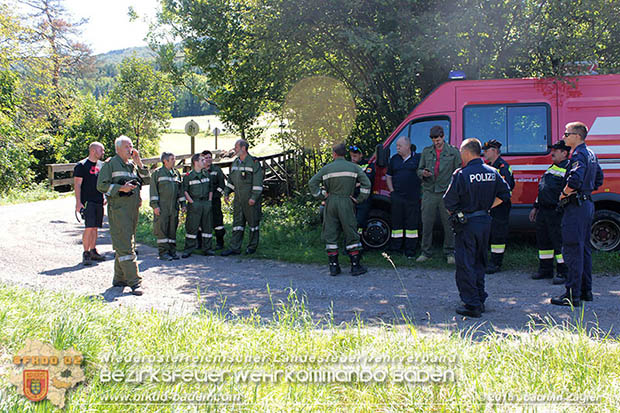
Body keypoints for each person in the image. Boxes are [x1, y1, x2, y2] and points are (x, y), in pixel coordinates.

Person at [443, 138, 511, 317]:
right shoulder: (492, 171)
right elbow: (505, 194)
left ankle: (471, 304)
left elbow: (448, 201)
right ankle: (479, 298)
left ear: (466, 152)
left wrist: (458, 215)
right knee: (480, 262)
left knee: (465, 263)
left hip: (467, 224)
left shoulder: (462, 174)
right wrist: (487, 206)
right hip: (484, 222)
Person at [551, 122, 604, 307]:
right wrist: (586, 191)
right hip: (587, 204)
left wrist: (564, 194)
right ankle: (585, 291)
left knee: (573, 250)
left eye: (567, 134)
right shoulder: (591, 154)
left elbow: (574, 179)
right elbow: (599, 179)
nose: (564, 137)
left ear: (577, 136)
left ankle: (572, 295)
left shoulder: (578, 155)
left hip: (576, 208)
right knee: (584, 250)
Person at [96, 136, 150, 296]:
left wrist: (139, 161)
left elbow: (146, 180)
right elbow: (101, 186)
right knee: (126, 245)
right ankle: (135, 282)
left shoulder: (132, 165)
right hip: (119, 211)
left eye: (131, 146)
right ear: (118, 148)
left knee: (126, 242)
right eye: (127, 147)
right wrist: (121, 188)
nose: (130, 149)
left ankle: (119, 278)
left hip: (132, 210)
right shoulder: (110, 164)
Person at [309, 143, 371, 276]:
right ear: (345, 154)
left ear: (334, 154)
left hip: (330, 202)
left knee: (330, 233)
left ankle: (333, 267)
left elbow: (312, 183)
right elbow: (367, 183)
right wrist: (360, 199)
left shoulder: (327, 169)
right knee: (351, 231)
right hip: (346, 201)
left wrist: (321, 196)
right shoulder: (354, 167)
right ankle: (355, 266)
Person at [416, 125, 462, 264]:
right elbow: (418, 169)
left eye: (438, 139)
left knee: (449, 224)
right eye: (433, 140)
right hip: (429, 192)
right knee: (427, 223)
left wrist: (455, 193)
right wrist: (422, 173)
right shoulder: (426, 152)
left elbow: (458, 172)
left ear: (443, 137)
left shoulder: (453, 152)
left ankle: (450, 252)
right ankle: (426, 252)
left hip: (446, 192)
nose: (436, 142)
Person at [529, 140, 571, 284]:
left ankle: (563, 272)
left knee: (558, 242)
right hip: (543, 211)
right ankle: (545, 270)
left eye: (556, 151)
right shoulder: (552, 168)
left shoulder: (569, 169)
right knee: (543, 242)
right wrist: (535, 206)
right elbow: (543, 189)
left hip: (556, 211)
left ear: (564, 153)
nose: (552, 153)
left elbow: (569, 191)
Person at [221, 139, 264, 256]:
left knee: (253, 224)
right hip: (238, 200)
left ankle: (252, 247)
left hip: (250, 200)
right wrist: (226, 193)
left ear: (243, 148)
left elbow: (258, 183)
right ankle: (235, 248)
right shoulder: (235, 162)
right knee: (237, 225)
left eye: (236, 147)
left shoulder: (253, 162)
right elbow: (231, 180)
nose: (234, 149)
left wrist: (254, 198)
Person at [482, 139, 515, 273]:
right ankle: (488, 261)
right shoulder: (488, 166)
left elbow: (506, 192)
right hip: (490, 207)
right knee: (489, 235)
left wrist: (491, 205)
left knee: (498, 236)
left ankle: (496, 263)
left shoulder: (502, 167)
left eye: (486, 150)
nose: (484, 153)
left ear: (495, 151)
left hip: (500, 207)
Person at [386, 136, 421, 258]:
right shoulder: (394, 159)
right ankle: (396, 248)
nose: (397, 148)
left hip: (413, 197)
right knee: (397, 225)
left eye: (399, 146)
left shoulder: (418, 158)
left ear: (408, 146)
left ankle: (410, 250)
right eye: (396, 146)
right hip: (397, 197)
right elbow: (388, 176)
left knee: (412, 225)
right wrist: (392, 191)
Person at [74, 142, 106, 265]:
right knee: (88, 227)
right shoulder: (81, 165)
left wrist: (104, 196)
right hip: (88, 202)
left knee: (95, 227)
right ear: (93, 151)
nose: (103, 153)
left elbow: (103, 183)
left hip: (99, 200)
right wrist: (78, 202)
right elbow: (77, 184)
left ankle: (93, 250)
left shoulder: (101, 165)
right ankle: (86, 253)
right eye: (101, 150)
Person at [150, 152, 185, 261]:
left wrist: (183, 204)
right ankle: (163, 253)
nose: (174, 161)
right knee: (162, 230)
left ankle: (172, 252)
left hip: (174, 207)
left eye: (174, 158)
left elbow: (180, 191)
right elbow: (153, 191)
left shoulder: (176, 173)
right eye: (172, 159)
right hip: (162, 207)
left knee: (172, 230)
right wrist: (155, 206)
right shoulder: (157, 173)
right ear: (165, 161)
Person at [182, 153, 215, 258]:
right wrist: (191, 202)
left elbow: (211, 189)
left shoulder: (206, 174)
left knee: (207, 227)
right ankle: (189, 249)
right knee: (192, 227)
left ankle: (207, 248)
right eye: (202, 160)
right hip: (194, 204)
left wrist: (209, 201)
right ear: (196, 162)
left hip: (206, 203)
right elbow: (184, 191)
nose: (204, 161)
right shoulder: (188, 176)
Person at [348, 145, 375, 238]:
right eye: (351, 156)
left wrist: (356, 183)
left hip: (363, 199)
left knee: (360, 222)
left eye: (355, 156)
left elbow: (367, 179)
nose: (353, 158)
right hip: (351, 197)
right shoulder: (349, 166)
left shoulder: (368, 165)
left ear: (361, 155)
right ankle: (351, 243)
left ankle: (360, 242)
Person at [203, 150, 227, 249]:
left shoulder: (217, 170)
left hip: (215, 200)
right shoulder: (199, 170)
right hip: (203, 201)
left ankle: (220, 242)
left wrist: (216, 195)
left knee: (217, 221)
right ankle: (201, 243)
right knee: (203, 221)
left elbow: (222, 185)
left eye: (210, 157)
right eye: (206, 158)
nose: (208, 159)